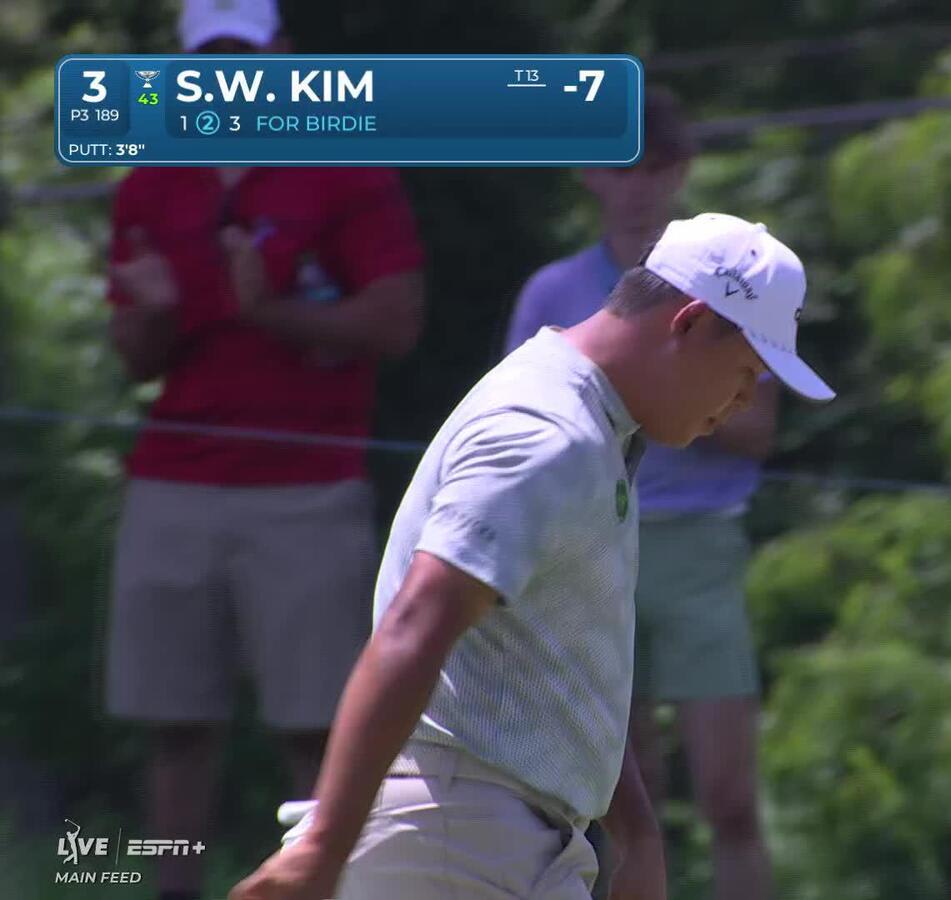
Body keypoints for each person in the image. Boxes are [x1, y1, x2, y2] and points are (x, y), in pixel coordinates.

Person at [228, 212, 834, 900]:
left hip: (486, 836)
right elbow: (414, 626)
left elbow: (567, 671)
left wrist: (638, 834)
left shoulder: (595, 427)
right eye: (746, 371)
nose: (744, 401)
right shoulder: (545, 434)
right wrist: (326, 850)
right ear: (690, 323)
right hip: (454, 838)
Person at [103, 3, 425, 899]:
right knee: (175, 728)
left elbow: (398, 321)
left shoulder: (347, 169)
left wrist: (269, 312)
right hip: (173, 482)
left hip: (308, 489)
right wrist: (155, 314)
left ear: (282, 59)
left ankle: (322, 888)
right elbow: (133, 357)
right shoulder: (151, 181)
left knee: (319, 734)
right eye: (209, 63)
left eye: (242, 59)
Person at [505, 90, 796, 900]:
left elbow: (759, 427)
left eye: (657, 166)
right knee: (619, 803)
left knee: (730, 801)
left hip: (700, 544)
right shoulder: (550, 293)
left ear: (682, 173)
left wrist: (669, 389)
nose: (637, 186)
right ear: (590, 176)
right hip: (591, 546)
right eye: (621, 166)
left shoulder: (726, 280)